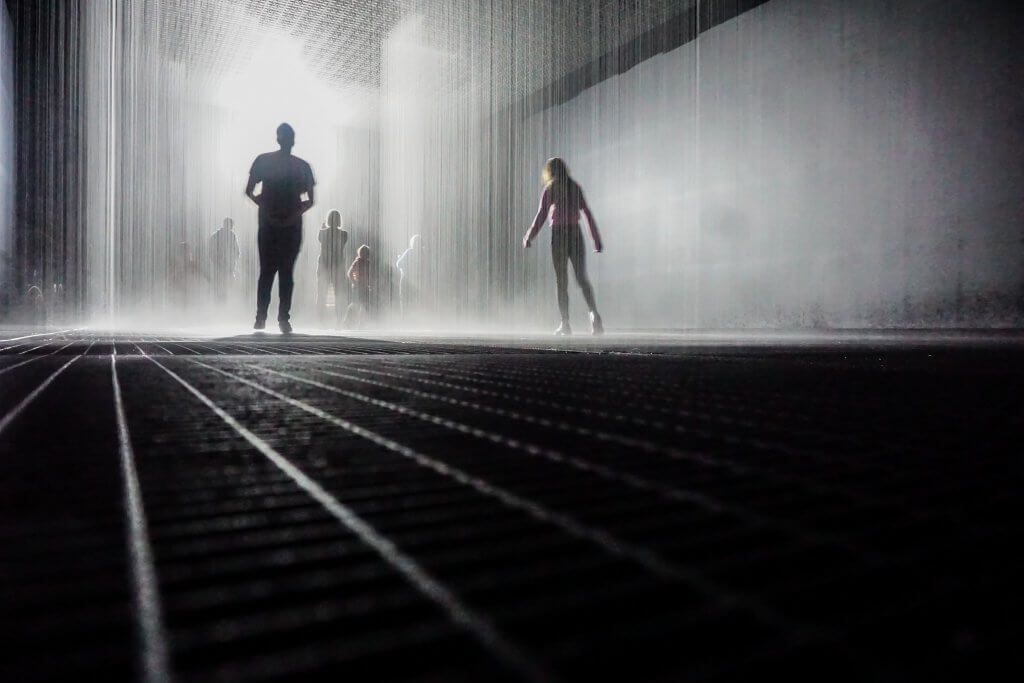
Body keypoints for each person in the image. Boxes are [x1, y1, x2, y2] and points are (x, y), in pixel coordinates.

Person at [245, 122, 315, 333]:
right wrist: (292, 215)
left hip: (269, 223)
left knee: (268, 271)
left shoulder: (263, 161)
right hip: (290, 225)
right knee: (285, 272)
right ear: (292, 140)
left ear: (278, 138)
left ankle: (262, 318)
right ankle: (282, 318)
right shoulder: (302, 166)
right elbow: (311, 200)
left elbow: (249, 191)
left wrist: (266, 209)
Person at [522, 157, 604, 335]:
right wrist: (595, 240)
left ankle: (565, 323)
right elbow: (587, 215)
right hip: (575, 233)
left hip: (559, 235)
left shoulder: (551, 188)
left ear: (550, 171)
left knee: (562, 281)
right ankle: (594, 315)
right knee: (582, 278)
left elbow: (541, 215)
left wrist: (529, 236)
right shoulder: (575, 187)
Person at [316, 209, 349, 327]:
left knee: (322, 294)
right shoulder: (344, 234)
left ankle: (321, 321)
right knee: (339, 294)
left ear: (328, 219)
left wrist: (323, 227)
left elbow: (320, 240)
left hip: (324, 266)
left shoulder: (322, 233)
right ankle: (339, 320)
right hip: (338, 266)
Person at [208, 217, 240, 301]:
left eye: (231, 226)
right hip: (220, 267)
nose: (230, 227)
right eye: (230, 225)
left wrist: (232, 261)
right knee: (221, 288)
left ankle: (222, 306)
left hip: (226, 267)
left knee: (224, 288)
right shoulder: (217, 236)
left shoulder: (231, 236)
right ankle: (220, 306)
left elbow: (237, 252)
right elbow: (211, 251)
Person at [344, 244, 371, 329]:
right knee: (357, 304)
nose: (366, 255)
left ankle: (360, 323)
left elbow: (369, 275)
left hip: (364, 286)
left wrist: (369, 283)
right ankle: (348, 321)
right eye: (365, 253)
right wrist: (355, 282)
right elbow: (350, 273)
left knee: (363, 305)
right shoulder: (358, 261)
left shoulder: (367, 262)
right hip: (358, 287)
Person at [396, 234, 421, 320]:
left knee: (404, 300)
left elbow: (398, 264)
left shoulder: (409, 252)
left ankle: (405, 320)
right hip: (417, 280)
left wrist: (400, 258)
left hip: (406, 280)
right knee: (415, 300)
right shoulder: (423, 253)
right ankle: (415, 320)